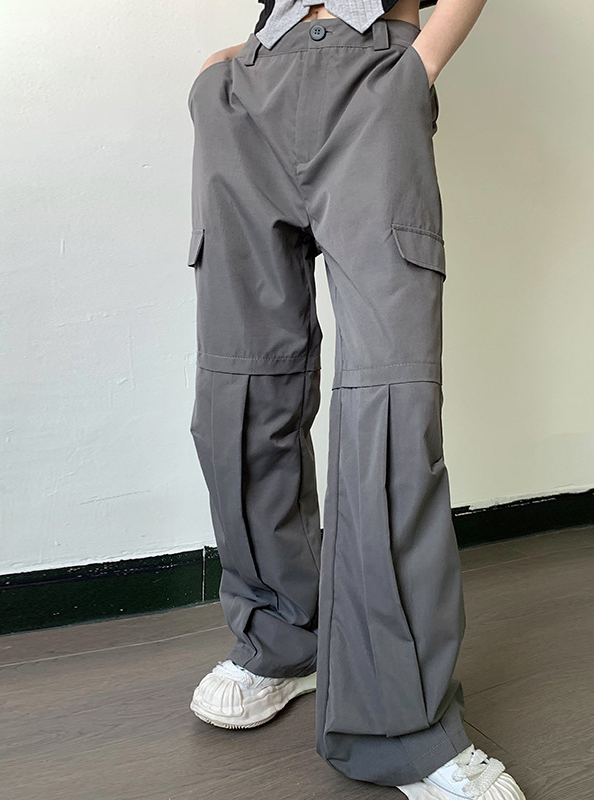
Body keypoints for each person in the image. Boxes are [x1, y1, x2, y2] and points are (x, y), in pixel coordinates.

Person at [186, 1, 526, 798]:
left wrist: (419, 64)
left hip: (375, 74)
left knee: (390, 406)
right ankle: (281, 637)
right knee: (242, 389)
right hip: (249, 92)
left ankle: (401, 724)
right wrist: (227, 68)